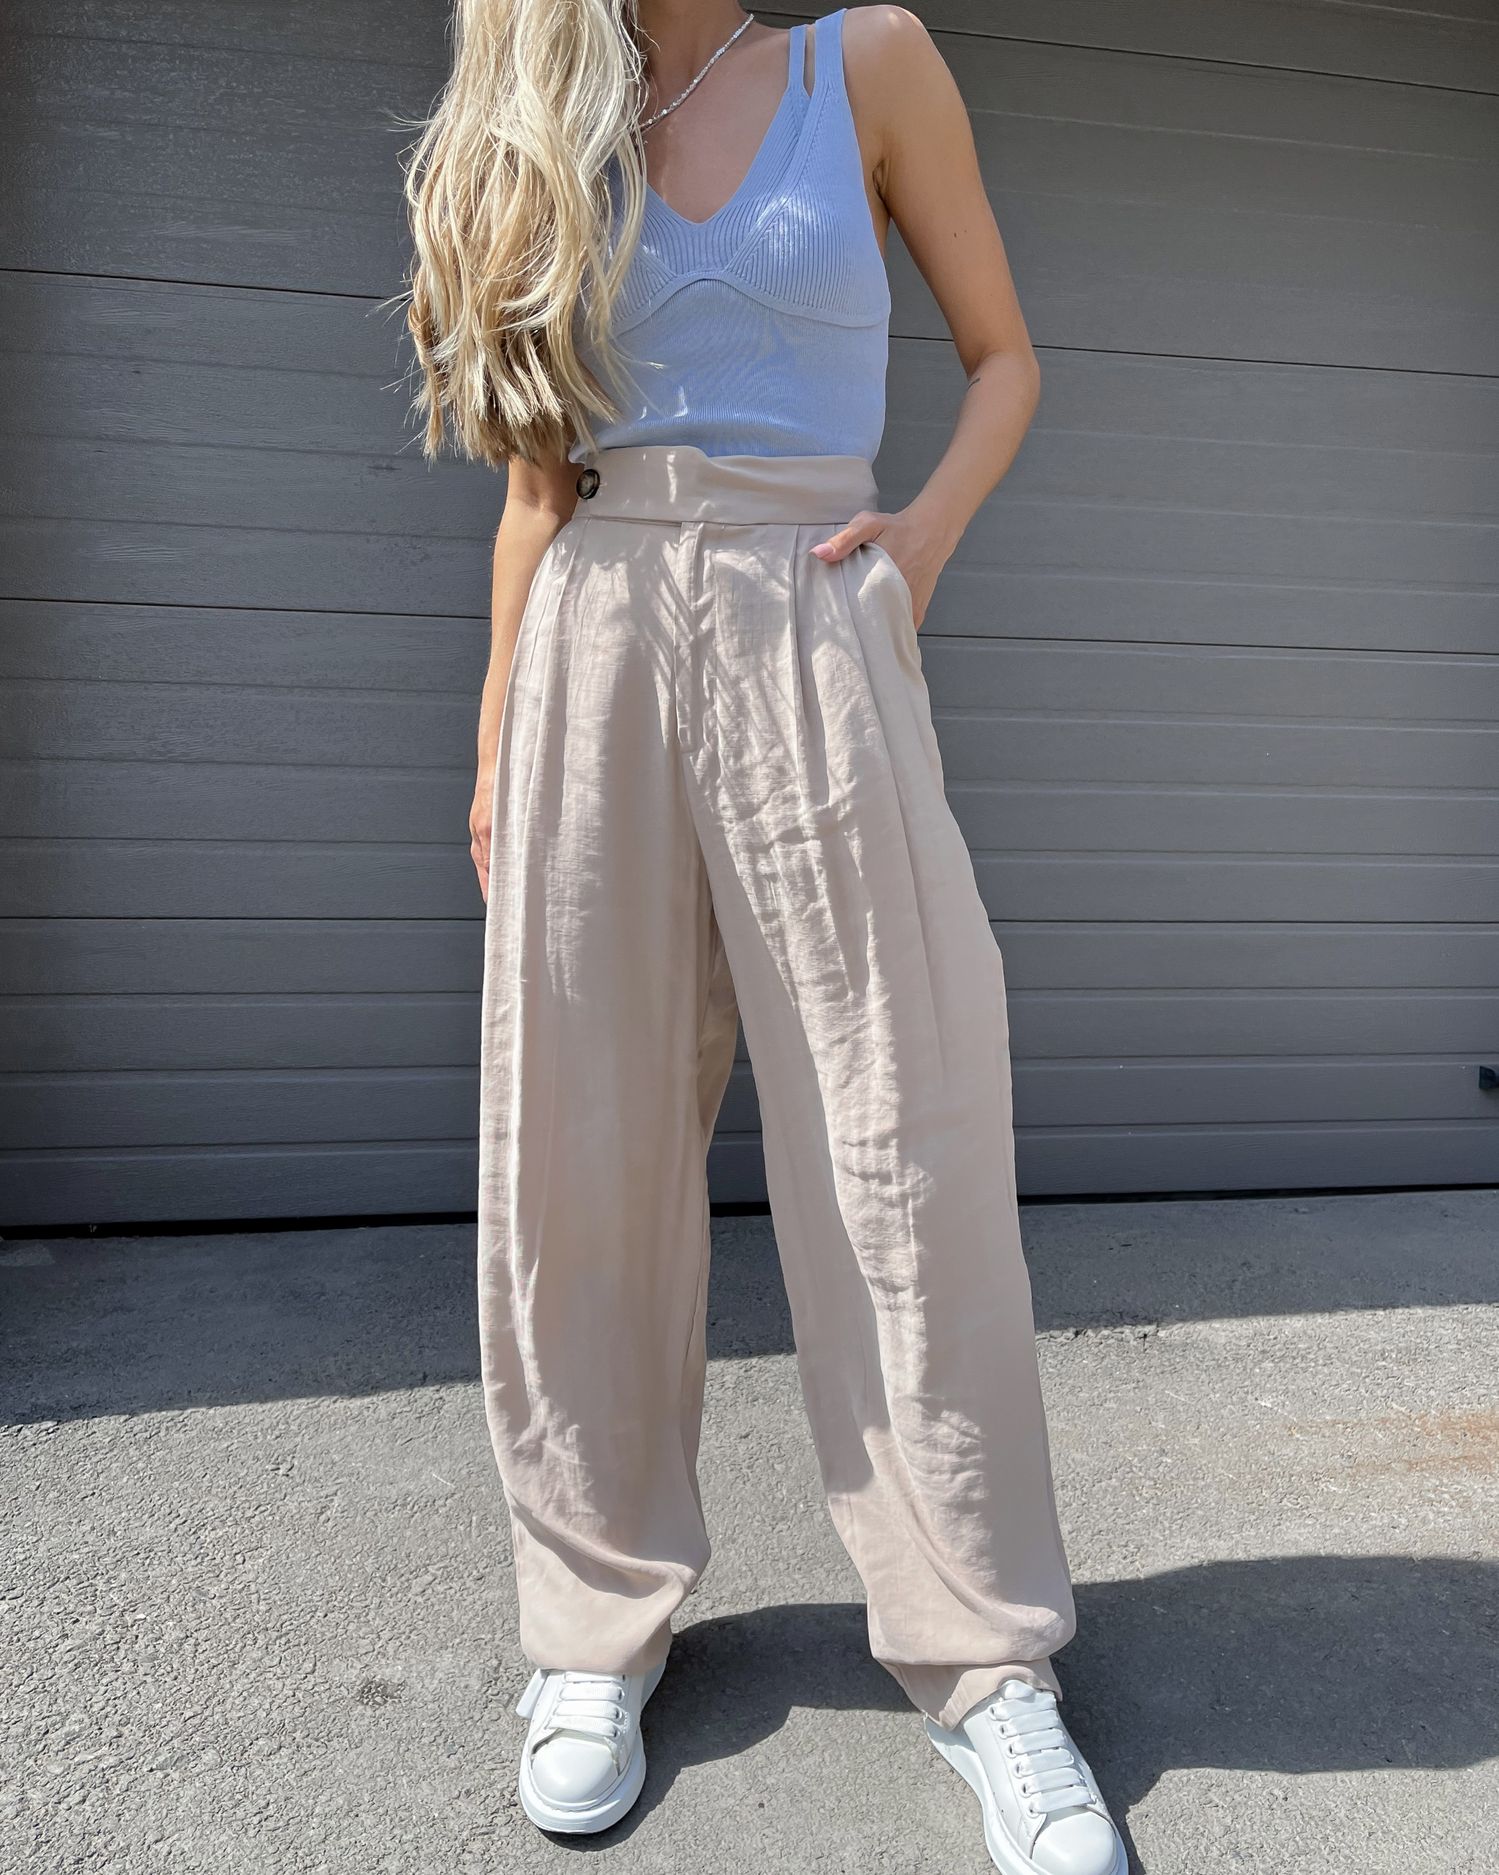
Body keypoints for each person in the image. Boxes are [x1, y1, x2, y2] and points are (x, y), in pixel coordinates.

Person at [402, 4, 1126, 1869]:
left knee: (906, 1144)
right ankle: (591, 1629)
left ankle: (985, 1658)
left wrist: (919, 545)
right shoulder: (550, 112)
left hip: (811, 620)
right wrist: (493, 740)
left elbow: (1007, 359)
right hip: (592, 640)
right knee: (579, 1155)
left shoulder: (863, 64)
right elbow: (534, 491)